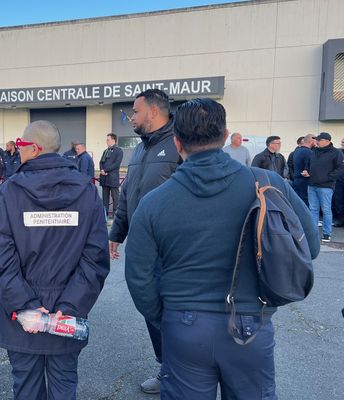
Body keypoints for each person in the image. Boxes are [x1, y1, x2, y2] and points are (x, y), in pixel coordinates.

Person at [125, 98, 320, 400]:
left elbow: (138, 276)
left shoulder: (154, 202)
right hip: (250, 322)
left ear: (177, 142)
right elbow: (311, 245)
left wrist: (164, 317)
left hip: (183, 324)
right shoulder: (267, 183)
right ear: (226, 134)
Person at [0, 120, 110, 399]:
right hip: (65, 315)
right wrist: (70, 306)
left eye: (19, 145)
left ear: (34, 148)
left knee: (26, 386)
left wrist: (26, 306)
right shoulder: (88, 191)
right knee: (64, 385)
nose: (17, 150)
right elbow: (96, 258)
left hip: (22, 316)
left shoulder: (9, 192)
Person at [109, 89, 181, 394]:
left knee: (175, 312)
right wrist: (117, 233)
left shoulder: (180, 144)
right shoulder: (139, 150)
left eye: (134, 113)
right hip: (143, 250)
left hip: (172, 250)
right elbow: (127, 194)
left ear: (153, 112)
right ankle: (167, 366)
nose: (130, 118)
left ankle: (182, 372)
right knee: (151, 309)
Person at [303, 132, 344, 242]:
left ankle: (327, 233)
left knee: (326, 210)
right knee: (313, 209)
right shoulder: (314, 151)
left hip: (326, 186)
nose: (316, 141)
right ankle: (313, 233)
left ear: (327, 141)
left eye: (319, 140)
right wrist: (307, 170)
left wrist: (329, 177)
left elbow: (341, 168)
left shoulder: (336, 153)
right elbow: (308, 163)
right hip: (312, 185)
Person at [99, 133, 123, 217]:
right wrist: (102, 170)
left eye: (108, 139)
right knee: (105, 198)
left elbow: (116, 164)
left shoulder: (119, 151)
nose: (106, 141)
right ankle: (104, 214)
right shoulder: (105, 151)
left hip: (112, 178)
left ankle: (115, 214)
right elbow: (101, 162)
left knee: (115, 197)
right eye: (106, 139)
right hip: (104, 178)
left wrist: (105, 170)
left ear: (113, 140)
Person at [291, 134, 315, 205]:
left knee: (298, 202)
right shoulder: (309, 152)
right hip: (305, 181)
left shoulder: (296, 151)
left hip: (296, 180)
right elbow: (310, 167)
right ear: (311, 141)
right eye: (315, 140)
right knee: (306, 202)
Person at [334, 138, 344, 227]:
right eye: (342, 141)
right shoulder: (337, 152)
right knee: (339, 201)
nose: (342, 143)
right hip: (339, 182)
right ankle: (341, 220)